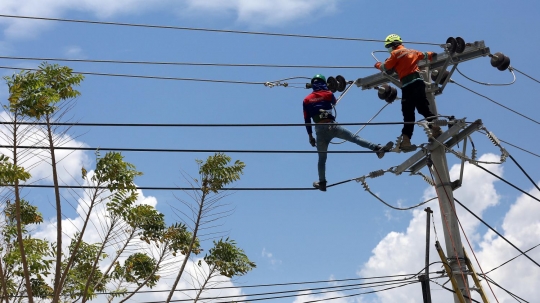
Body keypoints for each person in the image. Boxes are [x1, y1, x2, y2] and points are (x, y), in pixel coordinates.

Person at [303, 74, 393, 192]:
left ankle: (322, 182)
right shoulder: (329, 94)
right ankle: (377, 148)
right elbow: (334, 103)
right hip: (332, 126)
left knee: (322, 159)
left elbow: (307, 120)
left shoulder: (306, 100)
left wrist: (310, 137)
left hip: (319, 131)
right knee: (354, 138)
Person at [374, 34, 442, 151]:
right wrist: (432, 54)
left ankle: (406, 140)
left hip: (407, 85)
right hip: (418, 83)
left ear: (393, 45)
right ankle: (435, 128)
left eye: (388, 46)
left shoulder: (395, 54)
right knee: (422, 108)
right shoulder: (412, 51)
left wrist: (378, 65)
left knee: (408, 114)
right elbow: (426, 55)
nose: (388, 49)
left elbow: (386, 67)